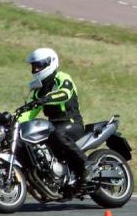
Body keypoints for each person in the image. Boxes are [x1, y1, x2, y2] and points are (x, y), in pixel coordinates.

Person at [19, 48, 96, 185]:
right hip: (53, 125)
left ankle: (86, 165)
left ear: (49, 63)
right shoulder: (39, 91)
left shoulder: (61, 77)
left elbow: (65, 92)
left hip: (71, 122)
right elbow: (30, 112)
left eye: (38, 65)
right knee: (35, 143)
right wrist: (12, 120)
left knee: (57, 134)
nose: (35, 69)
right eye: (33, 66)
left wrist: (47, 98)